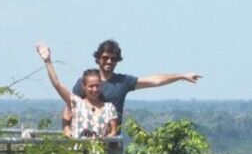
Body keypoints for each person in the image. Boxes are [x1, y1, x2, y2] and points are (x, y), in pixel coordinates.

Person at [70, 39, 202, 122]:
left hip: (111, 141)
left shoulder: (122, 82)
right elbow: (71, 107)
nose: (109, 61)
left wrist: (181, 76)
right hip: (86, 138)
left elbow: (155, 80)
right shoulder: (85, 82)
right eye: (105, 58)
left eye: (113, 58)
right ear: (98, 58)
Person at [36, 42, 118, 138]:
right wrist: (47, 61)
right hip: (77, 151)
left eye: (97, 86)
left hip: (100, 151)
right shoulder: (77, 103)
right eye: (91, 86)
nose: (95, 89)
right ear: (84, 86)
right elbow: (57, 84)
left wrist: (105, 139)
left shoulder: (109, 108)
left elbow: (114, 131)